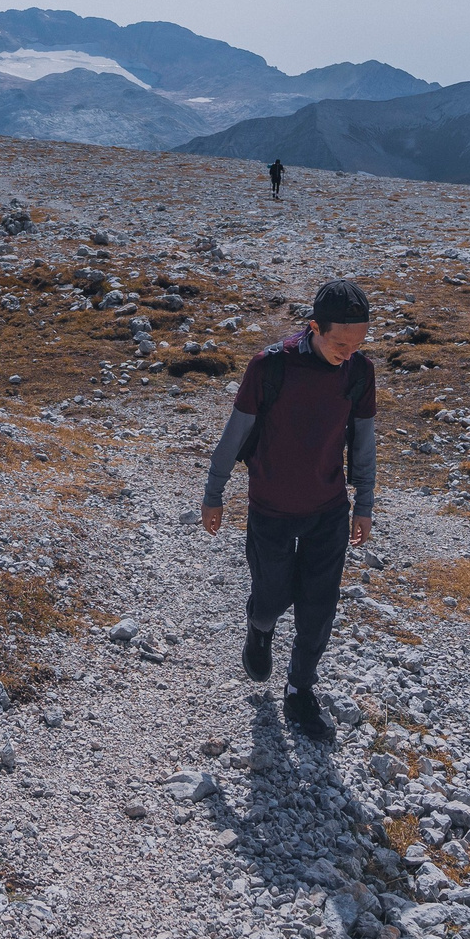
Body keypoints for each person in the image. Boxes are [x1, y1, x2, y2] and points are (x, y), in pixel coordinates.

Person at [199, 279, 375, 742]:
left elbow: (364, 443)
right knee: (272, 597)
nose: (348, 353)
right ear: (314, 327)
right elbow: (235, 434)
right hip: (271, 508)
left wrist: (365, 504)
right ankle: (259, 627)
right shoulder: (270, 367)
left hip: (329, 510)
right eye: (340, 344)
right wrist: (214, 493)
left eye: (357, 344)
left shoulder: (359, 372)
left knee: (319, 608)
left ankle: (300, 690)